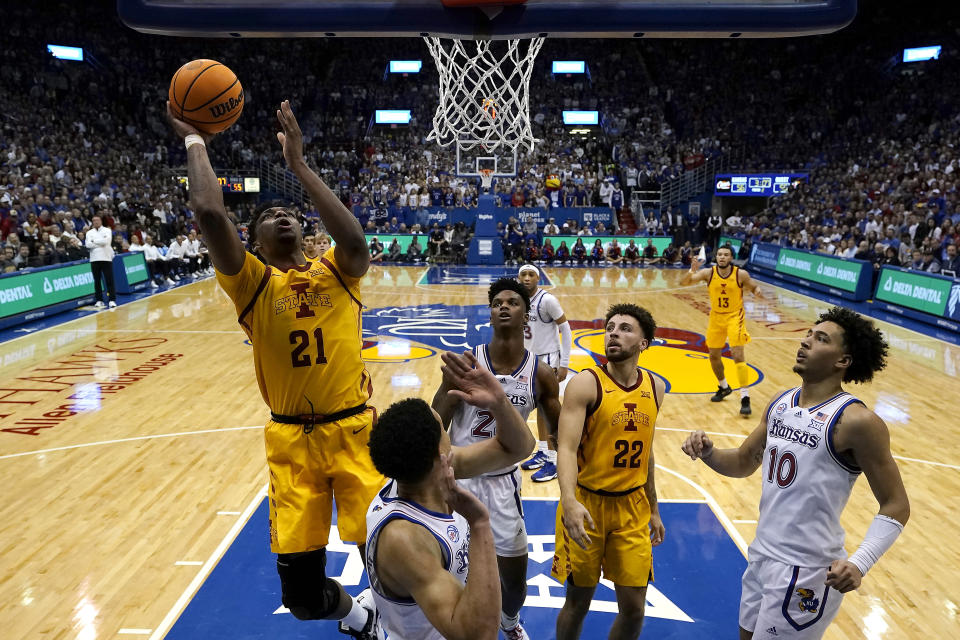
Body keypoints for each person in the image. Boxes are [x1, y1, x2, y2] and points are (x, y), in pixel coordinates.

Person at [168, 99, 383, 639]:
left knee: (390, 564)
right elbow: (211, 212)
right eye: (267, 217)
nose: (281, 217)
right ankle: (359, 619)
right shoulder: (252, 285)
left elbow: (354, 241)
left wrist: (299, 168)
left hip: (356, 431)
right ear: (255, 245)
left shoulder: (338, 273)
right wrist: (197, 141)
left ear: (308, 236)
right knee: (304, 599)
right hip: (291, 444)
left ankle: (397, 622)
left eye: (289, 214)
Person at [681, 307, 910, 640]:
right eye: (807, 335)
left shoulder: (857, 422)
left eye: (820, 339)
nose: (805, 342)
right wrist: (709, 453)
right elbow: (744, 461)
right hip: (762, 554)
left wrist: (861, 562)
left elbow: (896, 504)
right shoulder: (781, 402)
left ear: (842, 361)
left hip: (808, 570)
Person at [365, 350, 537, 640]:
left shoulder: (425, 472)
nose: (449, 431)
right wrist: (480, 524)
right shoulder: (404, 538)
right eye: (443, 430)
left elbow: (518, 448)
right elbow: (477, 635)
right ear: (439, 454)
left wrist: (498, 400)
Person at [432, 278, 561, 640]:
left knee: (515, 584)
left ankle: (509, 622)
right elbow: (437, 417)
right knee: (452, 570)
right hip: (459, 480)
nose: (503, 307)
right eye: (497, 303)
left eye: (512, 303)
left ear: (527, 318)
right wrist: (453, 388)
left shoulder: (540, 372)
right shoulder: (469, 360)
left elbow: (558, 430)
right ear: (490, 315)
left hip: (504, 485)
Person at [553, 303, 666, 640]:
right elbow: (566, 448)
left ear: (643, 343)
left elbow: (646, 454)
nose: (614, 332)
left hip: (632, 509)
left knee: (634, 608)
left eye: (625, 328)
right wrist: (569, 501)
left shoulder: (656, 388)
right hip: (587, 503)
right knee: (578, 603)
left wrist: (655, 508)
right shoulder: (586, 384)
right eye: (611, 326)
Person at [680, 244, 764, 416]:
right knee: (714, 356)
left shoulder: (740, 274)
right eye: (719, 254)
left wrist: (757, 291)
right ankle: (724, 387)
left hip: (735, 317)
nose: (722, 257)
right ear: (716, 257)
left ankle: (745, 397)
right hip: (716, 317)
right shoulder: (708, 273)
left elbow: (753, 286)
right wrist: (691, 270)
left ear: (731, 258)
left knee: (737, 354)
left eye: (726, 255)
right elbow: (684, 283)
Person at [517, 264, 572, 483]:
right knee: (537, 410)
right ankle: (543, 450)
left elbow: (566, 329)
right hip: (528, 360)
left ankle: (555, 459)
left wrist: (564, 363)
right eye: (524, 275)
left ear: (538, 278)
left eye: (531, 275)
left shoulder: (547, 300)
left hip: (547, 360)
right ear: (518, 277)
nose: (527, 278)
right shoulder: (519, 299)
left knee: (549, 411)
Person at [84, 215, 116, 308]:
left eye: (97, 220)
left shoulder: (107, 230)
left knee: (109, 280)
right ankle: (99, 300)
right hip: (94, 259)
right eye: (94, 221)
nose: (96, 222)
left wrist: (94, 241)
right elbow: (88, 245)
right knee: (97, 281)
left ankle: (112, 300)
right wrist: (99, 242)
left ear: (101, 221)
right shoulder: (89, 232)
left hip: (106, 258)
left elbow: (106, 242)